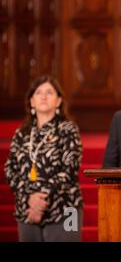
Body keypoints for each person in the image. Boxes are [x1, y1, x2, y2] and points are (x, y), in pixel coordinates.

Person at [4, 75, 83, 242]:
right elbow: (10, 169)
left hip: (67, 208)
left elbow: (69, 170)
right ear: (31, 102)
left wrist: (41, 200)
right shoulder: (21, 134)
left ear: (59, 101)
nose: (44, 96)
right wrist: (29, 198)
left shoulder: (68, 130)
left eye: (49, 92)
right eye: (38, 92)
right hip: (27, 210)